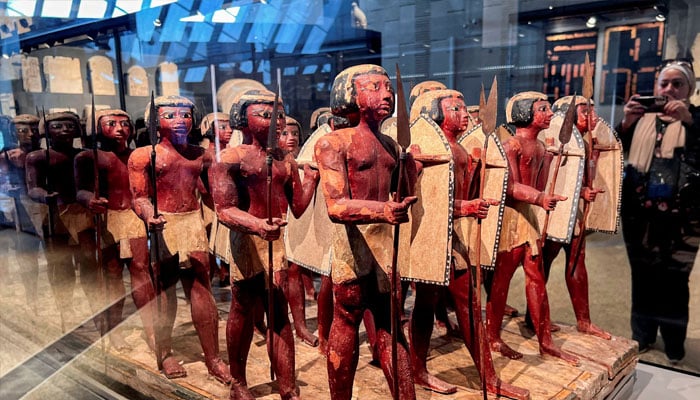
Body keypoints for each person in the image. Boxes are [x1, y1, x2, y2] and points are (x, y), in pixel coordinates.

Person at [408, 89, 529, 399]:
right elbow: (428, 201)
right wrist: (466, 207)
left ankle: (481, 375)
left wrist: (478, 176)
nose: (464, 114)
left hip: (455, 238)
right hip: (433, 237)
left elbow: (461, 191)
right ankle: (423, 368)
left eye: (463, 108)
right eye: (455, 109)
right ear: (436, 116)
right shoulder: (427, 148)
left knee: (459, 301)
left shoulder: (459, 150)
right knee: (438, 300)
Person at [314, 64, 420, 400]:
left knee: (392, 326)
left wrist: (409, 168)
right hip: (353, 242)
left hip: (384, 242)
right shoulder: (333, 143)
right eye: (374, 86)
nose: (387, 94)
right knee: (346, 319)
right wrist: (383, 210)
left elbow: (403, 193)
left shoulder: (390, 145)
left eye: (387, 87)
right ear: (351, 96)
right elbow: (336, 206)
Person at [209, 88, 318, 400]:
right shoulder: (231, 159)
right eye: (266, 114)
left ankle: (287, 385)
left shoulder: (286, 160)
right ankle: (238, 383)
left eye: (279, 114)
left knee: (278, 310)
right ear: (243, 120)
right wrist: (257, 225)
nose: (276, 121)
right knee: (242, 307)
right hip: (247, 239)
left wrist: (309, 182)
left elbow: (296, 207)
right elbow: (224, 210)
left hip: (276, 239)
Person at [128, 95, 230, 382]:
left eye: (185, 115)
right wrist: (150, 215)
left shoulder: (201, 154)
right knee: (164, 291)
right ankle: (165, 352)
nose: (180, 121)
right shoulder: (143, 155)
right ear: (155, 122)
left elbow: (215, 189)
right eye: (170, 116)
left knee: (201, 289)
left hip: (192, 223)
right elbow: (140, 197)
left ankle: (213, 358)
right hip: (164, 224)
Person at [485, 91, 579, 365]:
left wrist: (551, 160)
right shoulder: (511, 145)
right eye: (543, 109)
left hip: (529, 217)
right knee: (501, 279)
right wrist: (540, 198)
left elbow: (538, 185)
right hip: (511, 219)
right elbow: (510, 187)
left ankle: (545, 341)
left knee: (536, 277)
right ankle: (492, 336)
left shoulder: (538, 147)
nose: (549, 114)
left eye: (549, 109)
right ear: (525, 114)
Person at [617, 60, 699, 363]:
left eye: (678, 84)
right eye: (664, 83)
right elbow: (613, 152)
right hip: (639, 213)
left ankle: (674, 342)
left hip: (683, 218)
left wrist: (690, 122)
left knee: (676, 279)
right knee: (642, 275)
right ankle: (643, 334)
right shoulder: (639, 119)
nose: (669, 90)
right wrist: (625, 123)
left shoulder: (696, 119)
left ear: (690, 89)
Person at [534, 96, 611, 340]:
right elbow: (548, 179)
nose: (591, 116)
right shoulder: (552, 138)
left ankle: (584, 321)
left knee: (577, 261)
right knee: (544, 262)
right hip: (556, 211)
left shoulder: (585, 141)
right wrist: (580, 192)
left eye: (592, 111)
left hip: (575, 213)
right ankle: (534, 317)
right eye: (584, 112)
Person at [74, 109, 147, 350]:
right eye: (111, 124)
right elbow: (81, 190)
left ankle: (153, 330)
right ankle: (114, 331)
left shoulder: (139, 156)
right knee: (113, 275)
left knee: (141, 274)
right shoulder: (88, 158)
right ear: (97, 128)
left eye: (124, 124)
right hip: (109, 220)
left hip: (135, 218)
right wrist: (90, 200)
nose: (119, 128)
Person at [26, 111, 93, 330]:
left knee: (89, 265)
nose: (64, 130)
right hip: (56, 215)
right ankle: (66, 312)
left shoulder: (84, 155)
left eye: (69, 126)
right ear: (47, 131)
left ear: (77, 129)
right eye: (58, 126)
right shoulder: (37, 157)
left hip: (83, 213)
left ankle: (97, 310)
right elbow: (33, 187)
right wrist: (44, 196)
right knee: (61, 268)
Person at [279, 115, 318, 347]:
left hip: (298, 219)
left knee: (294, 271)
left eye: (294, 133)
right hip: (276, 221)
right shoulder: (275, 160)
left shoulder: (302, 159)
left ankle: (301, 326)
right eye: (285, 133)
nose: (291, 138)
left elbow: (300, 200)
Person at [199, 112, 233, 287]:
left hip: (227, 204)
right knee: (211, 244)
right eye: (222, 127)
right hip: (211, 206)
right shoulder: (206, 155)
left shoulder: (231, 152)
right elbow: (200, 183)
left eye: (229, 126)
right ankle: (216, 273)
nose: (229, 130)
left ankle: (225, 271)